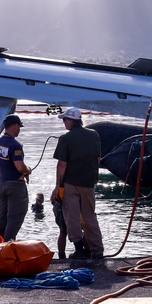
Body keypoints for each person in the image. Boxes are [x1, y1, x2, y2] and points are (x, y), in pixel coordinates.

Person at [50, 106, 104, 259]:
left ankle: (79, 250)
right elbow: (97, 159)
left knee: (71, 216)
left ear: (71, 121)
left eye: (65, 120)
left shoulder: (66, 138)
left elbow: (62, 165)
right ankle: (98, 250)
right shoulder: (94, 135)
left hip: (71, 183)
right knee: (89, 217)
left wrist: (57, 187)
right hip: (89, 183)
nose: (64, 123)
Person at [0, 114, 32, 241]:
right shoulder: (15, 145)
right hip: (15, 187)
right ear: (15, 126)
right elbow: (20, 167)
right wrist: (28, 171)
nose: (19, 129)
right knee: (14, 219)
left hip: (1, 185)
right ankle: (7, 245)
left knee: (2, 217)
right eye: (19, 126)